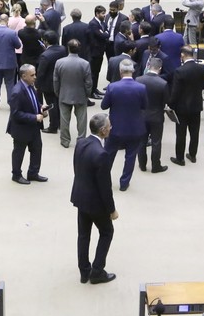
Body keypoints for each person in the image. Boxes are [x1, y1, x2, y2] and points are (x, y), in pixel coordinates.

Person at [71, 113, 118, 285]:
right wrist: (112, 210)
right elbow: (105, 187)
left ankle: (84, 272)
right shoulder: (101, 154)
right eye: (109, 126)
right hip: (96, 204)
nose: (111, 128)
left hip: (80, 197)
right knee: (107, 232)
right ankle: (97, 271)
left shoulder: (81, 143)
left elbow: (76, 168)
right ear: (103, 130)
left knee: (83, 235)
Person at [102, 59, 148, 192]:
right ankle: (124, 183)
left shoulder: (112, 87)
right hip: (135, 128)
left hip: (115, 128)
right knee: (131, 156)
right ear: (133, 71)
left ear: (120, 71)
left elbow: (104, 105)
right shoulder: (141, 87)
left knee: (109, 155)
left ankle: (104, 181)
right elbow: (145, 106)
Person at [7, 64, 49, 184]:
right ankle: (16, 175)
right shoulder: (17, 92)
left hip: (33, 127)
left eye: (35, 74)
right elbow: (16, 114)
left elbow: (33, 101)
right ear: (23, 76)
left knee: (37, 149)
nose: (35, 77)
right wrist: (34, 117)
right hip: (21, 129)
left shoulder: (30, 86)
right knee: (19, 152)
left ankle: (33, 173)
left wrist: (41, 107)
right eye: (32, 75)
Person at [168, 46, 204, 166]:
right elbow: (203, 86)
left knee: (181, 133)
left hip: (182, 108)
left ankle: (180, 158)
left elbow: (175, 92)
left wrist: (170, 105)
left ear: (183, 55)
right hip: (196, 105)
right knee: (194, 132)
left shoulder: (179, 71)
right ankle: (192, 155)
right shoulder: (201, 69)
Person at [53, 39, 93, 148]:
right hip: (80, 94)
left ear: (68, 48)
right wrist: (87, 93)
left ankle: (65, 140)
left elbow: (56, 80)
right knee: (82, 119)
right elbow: (88, 82)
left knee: (64, 119)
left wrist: (57, 92)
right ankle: (81, 140)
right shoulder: (85, 64)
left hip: (64, 93)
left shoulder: (59, 62)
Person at [136, 57, 169, 173]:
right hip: (157, 116)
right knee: (156, 142)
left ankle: (142, 165)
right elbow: (165, 101)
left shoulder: (138, 80)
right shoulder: (163, 83)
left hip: (142, 116)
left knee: (141, 142)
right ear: (160, 69)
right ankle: (156, 166)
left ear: (148, 66)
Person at [0, 14, 21, 110]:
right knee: (9, 83)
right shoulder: (12, 33)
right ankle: (11, 103)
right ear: (7, 21)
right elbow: (18, 46)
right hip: (9, 62)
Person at [37, 31, 65, 135]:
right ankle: (60, 124)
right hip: (60, 82)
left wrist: (37, 85)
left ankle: (53, 126)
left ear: (46, 41)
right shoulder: (63, 49)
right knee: (59, 103)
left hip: (48, 84)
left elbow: (41, 73)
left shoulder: (45, 55)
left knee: (51, 105)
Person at [87, 6, 109, 98]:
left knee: (97, 72)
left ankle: (95, 88)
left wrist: (105, 33)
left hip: (100, 52)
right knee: (93, 73)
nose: (104, 15)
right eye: (102, 13)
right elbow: (102, 35)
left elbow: (107, 32)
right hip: (94, 52)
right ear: (97, 14)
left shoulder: (102, 23)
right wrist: (104, 33)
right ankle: (91, 92)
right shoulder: (93, 24)